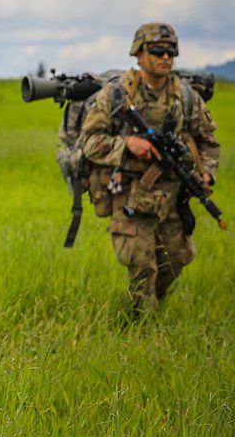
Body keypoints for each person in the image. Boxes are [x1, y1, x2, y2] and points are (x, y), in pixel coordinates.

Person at [82, 23, 220, 316]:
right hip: (130, 193)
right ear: (139, 54)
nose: (166, 58)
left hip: (173, 194)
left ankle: (145, 310)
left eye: (171, 52)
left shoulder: (185, 97)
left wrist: (207, 172)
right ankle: (143, 326)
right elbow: (90, 143)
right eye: (158, 51)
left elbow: (208, 141)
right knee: (141, 263)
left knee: (178, 257)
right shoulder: (116, 96)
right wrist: (127, 144)